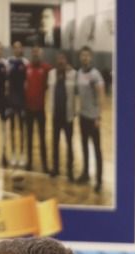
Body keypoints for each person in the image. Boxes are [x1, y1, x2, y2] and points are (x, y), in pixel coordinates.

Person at [74, 47, 105, 191]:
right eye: (82, 55)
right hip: (83, 116)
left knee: (97, 149)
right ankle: (85, 173)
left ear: (91, 57)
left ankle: (99, 180)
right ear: (80, 57)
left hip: (93, 118)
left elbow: (101, 95)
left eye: (87, 55)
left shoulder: (95, 74)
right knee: (84, 146)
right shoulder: (79, 73)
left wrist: (99, 117)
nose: (85, 58)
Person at [24, 44, 51, 174]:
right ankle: (29, 162)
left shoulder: (46, 68)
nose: (35, 54)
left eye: (37, 52)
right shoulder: (27, 67)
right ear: (31, 54)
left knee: (42, 138)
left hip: (40, 109)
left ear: (41, 54)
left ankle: (44, 164)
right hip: (28, 109)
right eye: (33, 52)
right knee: (29, 137)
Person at [50, 50, 77, 180]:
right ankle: (55, 168)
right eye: (59, 58)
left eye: (63, 58)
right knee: (55, 143)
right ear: (56, 60)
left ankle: (70, 170)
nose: (61, 61)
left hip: (68, 116)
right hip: (56, 115)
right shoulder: (51, 74)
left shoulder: (73, 74)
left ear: (66, 61)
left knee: (69, 143)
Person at [7, 40, 29, 168]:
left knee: (21, 128)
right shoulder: (8, 62)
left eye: (19, 47)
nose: (17, 49)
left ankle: (22, 153)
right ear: (13, 49)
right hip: (11, 100)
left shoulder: (25, 63)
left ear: (22, 49)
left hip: (22, 100)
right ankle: (14, 153)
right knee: (12, 128)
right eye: (15, 47)